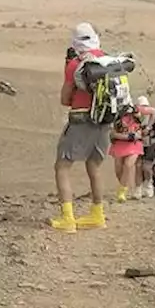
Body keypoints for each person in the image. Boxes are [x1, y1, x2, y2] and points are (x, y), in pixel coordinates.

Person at [50, 22, 111, 232]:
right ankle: (98, 214)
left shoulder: (75, 64)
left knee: (62, 166)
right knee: (94, 166)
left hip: (81, 118)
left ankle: (68, 219)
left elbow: (65, 99)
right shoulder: (108, 60)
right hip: (104, 120)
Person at [108, 100, 145, 203]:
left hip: (134, 145)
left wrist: (135, 136)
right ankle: (124, 185)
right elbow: (113, 134)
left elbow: (139, 133)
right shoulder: (117, 120)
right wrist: (127, 136)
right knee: (118, 169)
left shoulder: (138, 119)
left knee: (128, 165)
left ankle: (122, 191)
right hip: (120, 144)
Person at [134, 95, 155, 198]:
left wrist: (148, 127)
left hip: (150, 144)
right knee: (138, 166)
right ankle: (138, 188)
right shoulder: (135, 117)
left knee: (146, 167)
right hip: (138, 143)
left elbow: (153, 111)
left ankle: (149, 184)